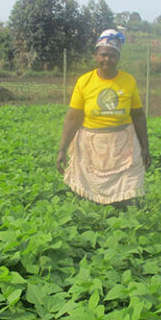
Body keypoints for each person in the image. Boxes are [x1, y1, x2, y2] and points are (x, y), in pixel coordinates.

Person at [56, 29, 150, 206]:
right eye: (103, 54)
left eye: (112, 55)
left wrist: (145, 146)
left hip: (123, 143)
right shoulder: (84, 81)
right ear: (96, 55)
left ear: (118, 58)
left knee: (128, 192)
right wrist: (62, 149)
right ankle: (92, 219)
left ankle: (126, 220)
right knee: (88, 195)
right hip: (91, 143)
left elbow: (137, 115)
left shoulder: (128, 81)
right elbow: (72, 118)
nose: (107, 59)